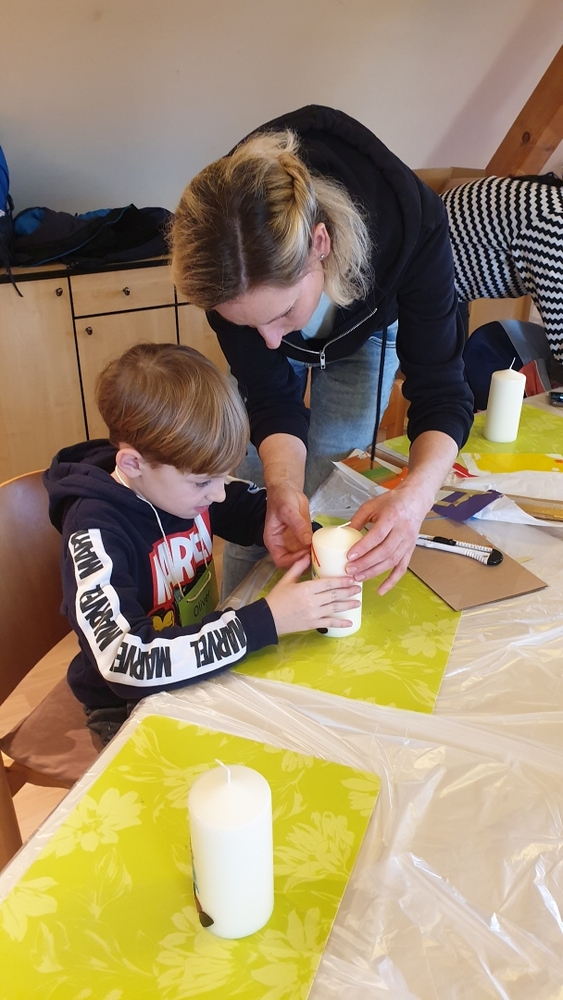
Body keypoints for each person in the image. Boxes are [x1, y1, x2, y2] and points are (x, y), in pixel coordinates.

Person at [171, 105, 474, 599]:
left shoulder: (412, 225)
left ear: (321, 243)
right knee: (262, 488)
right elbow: (270, 395)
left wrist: (414, 498)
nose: (270, 341)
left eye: (282, 312)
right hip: (290, 290)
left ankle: (326, 607)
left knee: (331, 479)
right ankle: (244, 614)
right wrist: (282, 487)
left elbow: (441, 391)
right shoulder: (223, 254)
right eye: (247, 324)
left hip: (371, 321)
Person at [43, 342, 360, 744]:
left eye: (222, 476)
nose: (219, 494)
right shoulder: (93, 530)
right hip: (128, 703)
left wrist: (308, 534)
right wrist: (267, 621)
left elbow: (245, 508)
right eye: (204, 482)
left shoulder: (176, 481)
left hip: (200, 662)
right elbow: (126, 661)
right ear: (133, 464)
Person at [442, 173, 563, 381]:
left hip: (441, 286)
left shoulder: (552, 202)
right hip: (415, 280)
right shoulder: (553, 222)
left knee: (449, 385)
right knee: (445, 386)